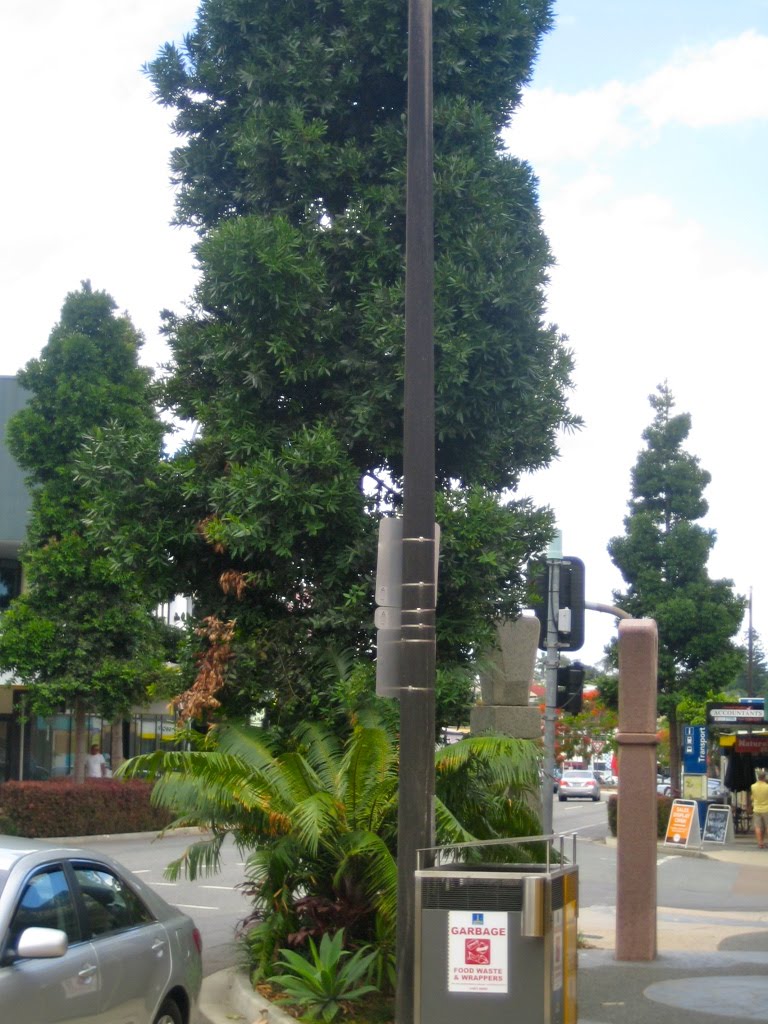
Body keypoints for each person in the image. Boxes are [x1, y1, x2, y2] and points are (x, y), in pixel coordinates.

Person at [750, 768, 768, 848]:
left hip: (756, 809)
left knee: (758, 826)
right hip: (766, 809)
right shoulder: (767, 787)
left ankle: (760, 843)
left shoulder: (753, 786)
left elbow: (752, 797)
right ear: (765, 777)